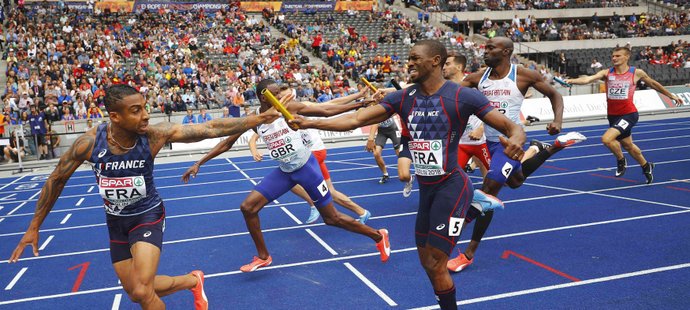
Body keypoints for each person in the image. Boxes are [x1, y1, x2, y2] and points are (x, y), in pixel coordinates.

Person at [290, 40, 525, 310]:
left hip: (451, 185)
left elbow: (510, 126)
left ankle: (471, 204)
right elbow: (355, 120)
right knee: (428, 264)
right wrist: (309, 122)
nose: (408, 63)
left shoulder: (462, 96)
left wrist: (517, 139)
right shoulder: (403, 97)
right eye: (409, 59)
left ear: (435, 60)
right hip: (426, 191)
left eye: (414, 58)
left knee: (437, 262)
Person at [9, 84, 281, 310]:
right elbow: (56, 179)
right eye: (135, 111)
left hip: (147, 216)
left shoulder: (153, 135)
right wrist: (34, 226)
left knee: (141, 290)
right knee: (136, 292)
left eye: (145, 107)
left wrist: (258, 119)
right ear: (115, 116)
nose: (145, 115)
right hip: (116, 222)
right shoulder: (90, 143)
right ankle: (192, 281)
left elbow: (210, 128)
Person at [182, 79, 390, 274]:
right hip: (285, 171)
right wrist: (199, 162)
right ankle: (263, 256)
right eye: (275, 94)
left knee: (331, 218)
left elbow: (326, 110)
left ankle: (378, 235)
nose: (281, 97)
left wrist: (363, 103)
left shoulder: (288, 108)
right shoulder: (256, 119)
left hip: (307, 168)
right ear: (264, 98)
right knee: (248, 207)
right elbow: (226, 143)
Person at [447, 37, 586, 273]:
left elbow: (555, 95)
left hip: (510, 143)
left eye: (491, 48)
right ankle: (551, 148)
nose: (485, 51)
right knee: (516, 181)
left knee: (487, 192)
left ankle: (462, 249)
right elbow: (448, 96)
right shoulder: (476, 78)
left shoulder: (523, 75)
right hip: (487, 143)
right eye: (485, 47)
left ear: (507, 51)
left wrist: (557, 120)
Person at [248, 89, 373, 224]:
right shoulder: (275, 114)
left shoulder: (295, 107)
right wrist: (254, 147)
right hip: (312, 151)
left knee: (290, 179)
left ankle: (313, 204)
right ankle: (362, 212)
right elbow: (258, 133)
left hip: (312, 152)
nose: (279, 98)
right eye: (277, 95)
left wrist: (359, 101)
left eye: (282, 95)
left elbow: (331, 105)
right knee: (329, 190)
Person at [566, 46, 681, 183]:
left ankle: (621, 160)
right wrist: (571, 81)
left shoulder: (636, 72)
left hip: (629, 114)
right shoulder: (607, 73)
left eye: (618, 56)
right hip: (613, 115)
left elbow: (654, 84)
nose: (614, 58)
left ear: (627, 57)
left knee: (607, 139)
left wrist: (671, 96)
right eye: (613, 56)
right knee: (628, 145)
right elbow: (587, 79)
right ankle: (646, 165)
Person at [443, 53, 491, 177]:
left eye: (447, 64)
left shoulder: (475, 84)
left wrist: (481, 128)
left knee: (495, 176)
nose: (443, 67)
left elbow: (493, 108)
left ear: (459, 67)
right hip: (459, 140)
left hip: (480, 138)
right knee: (449, 175)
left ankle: (488, 194)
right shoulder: (444, 86)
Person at [366, 114, 400, 184]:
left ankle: (405, 170)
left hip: (393, 130)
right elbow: (374, 124)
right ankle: (385, 174)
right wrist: (370, 139)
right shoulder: (373, 109)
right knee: (376, 153)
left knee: (399, 153)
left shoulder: (386, 104)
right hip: (382, 132)